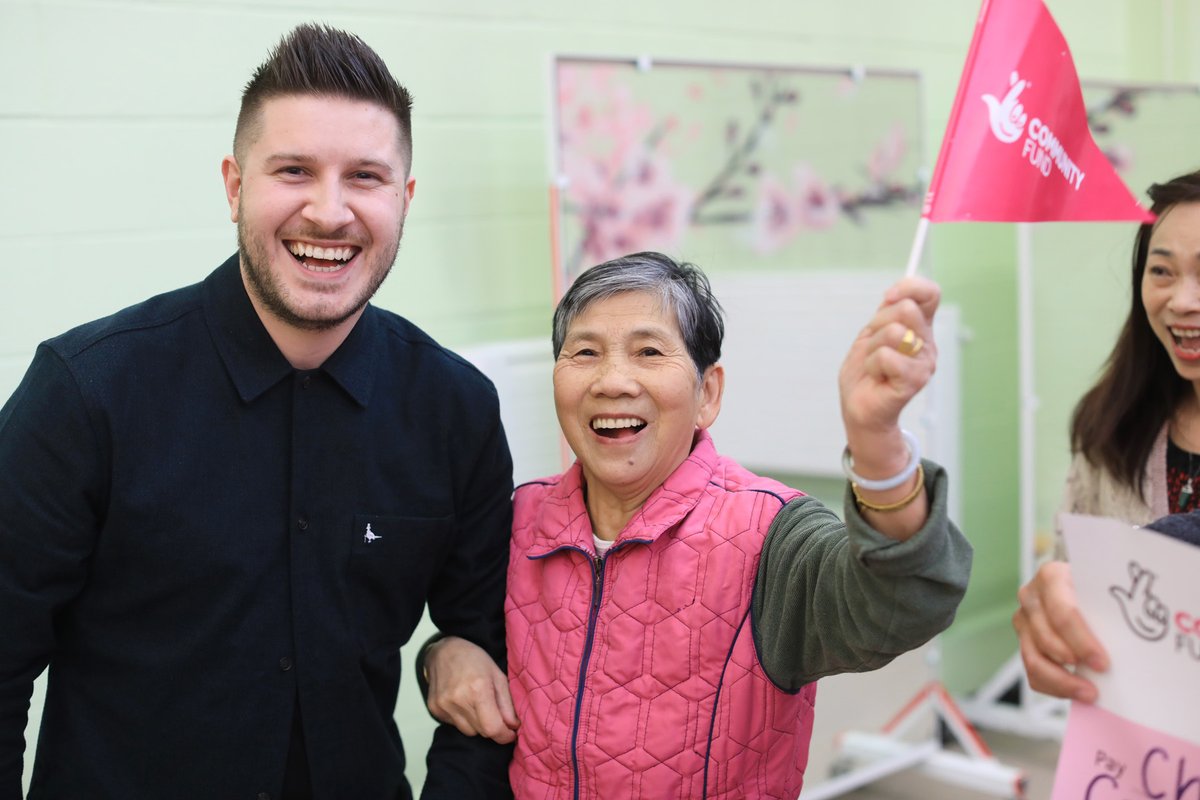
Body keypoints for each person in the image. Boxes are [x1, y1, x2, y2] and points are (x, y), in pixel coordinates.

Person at [0, 24, 513, 800]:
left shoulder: (456, 410)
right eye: (294, 170)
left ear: (404, 200)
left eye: (365, 177)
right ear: (235, 184)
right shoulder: (86, 392)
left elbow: (490, 645)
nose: (330, 212)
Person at [421, 251, 972, 798]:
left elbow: (899, 603)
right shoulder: (517, 520)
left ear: (707, 394)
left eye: (649, 352)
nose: (612, 381)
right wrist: (440, 654)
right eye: (584, 352)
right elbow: (466, 636)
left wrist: (878, 446)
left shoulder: (771, 533)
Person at [1013, 169, 1200, 703]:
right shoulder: (1112, 429)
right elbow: (1072, 577)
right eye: (1161, 271)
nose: (1182, 301)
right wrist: (1050, 620)